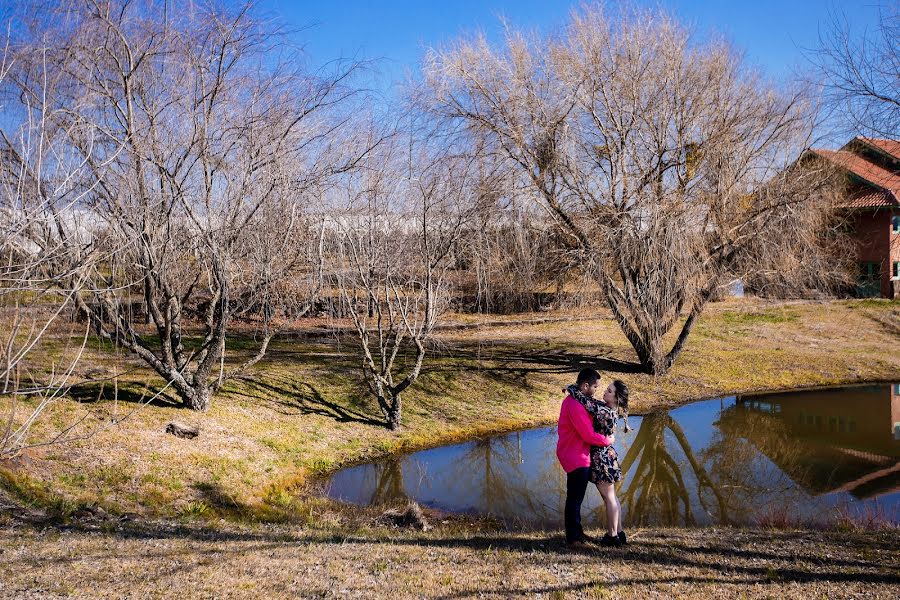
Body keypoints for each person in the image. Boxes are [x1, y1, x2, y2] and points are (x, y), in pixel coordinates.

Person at [556, 368, 614, 549]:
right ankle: (573, 538)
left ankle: (577, 532)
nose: (597, 390)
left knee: (576, 497)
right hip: (576, 456)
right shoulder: (575, 405)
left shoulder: (578, 400)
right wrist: (607, 440)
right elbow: (588, 434)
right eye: (595, 387)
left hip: (577, 453)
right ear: (585, 385)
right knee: (574, 498)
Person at [581, 379, 629, 547]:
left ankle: (612, 536)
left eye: (609, 391)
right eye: (607, 389)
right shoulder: (609, 409)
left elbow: (588, 404)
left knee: (609, 498)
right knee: (611, 497)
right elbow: (594, 402)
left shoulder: (605, 412)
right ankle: (619, 532)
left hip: (602, 459)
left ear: (616, 398)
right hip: (606, 457)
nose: (605, 392)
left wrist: (573, 390)